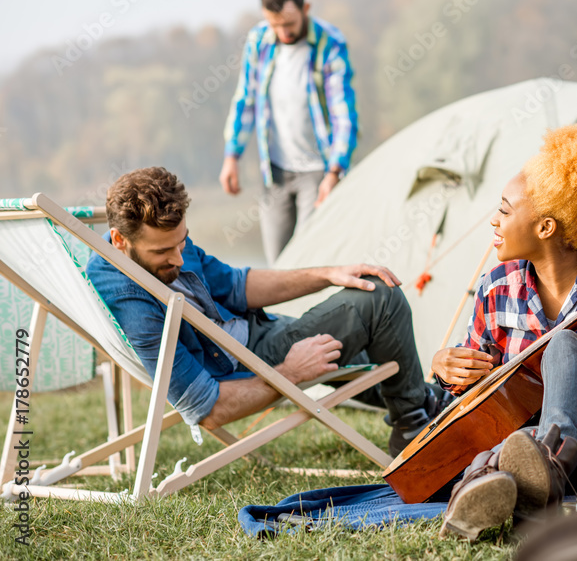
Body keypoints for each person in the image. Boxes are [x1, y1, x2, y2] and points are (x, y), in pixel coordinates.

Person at [87, 167, 438, 456]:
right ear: (120, 240)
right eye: (164, 251)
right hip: (250, 363)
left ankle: (431, 406)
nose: (178, 258)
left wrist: (327, 274)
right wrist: (291, 373)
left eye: (182, 243)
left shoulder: (158, 237)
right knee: (380, 298)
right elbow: (208, 410)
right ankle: (414, 428)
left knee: (377, 348)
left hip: (258, 334)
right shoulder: (127, 297)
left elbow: (238, 285)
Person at [430, 123, 577, 540]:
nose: (494, 221)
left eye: (504, 209)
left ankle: (525, 471)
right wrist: (447, 371)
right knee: (519, 439)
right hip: (520, 441)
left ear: (545, 228)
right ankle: (504, 486)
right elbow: (479, 399)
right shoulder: (495, 287)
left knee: (565, 343)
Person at [219, 0, 359, 265]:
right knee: (278, 265)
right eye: (274, 24)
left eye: (289, 23)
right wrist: (232, 155)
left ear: (306, 8)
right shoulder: (259, 41)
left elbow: (343, 114)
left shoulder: (330, 43)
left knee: (309, 259)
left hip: (318, 171)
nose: (283, 32)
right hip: (275, 172)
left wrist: (335, 171)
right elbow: (245, 98)